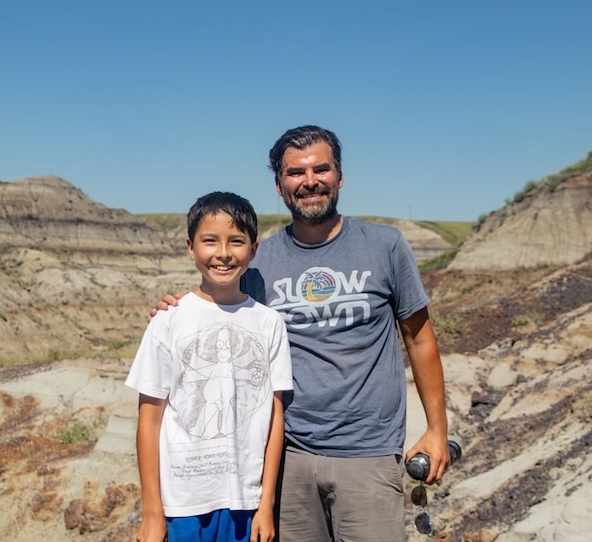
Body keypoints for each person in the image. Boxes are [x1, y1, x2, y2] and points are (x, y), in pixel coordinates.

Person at [154, 126, 450, 542]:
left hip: (368, 454)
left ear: (340, 176)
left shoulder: (385, 246)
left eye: (321, 169)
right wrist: (175, 308)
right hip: (287, 458)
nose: (310, 181)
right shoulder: (260, 263)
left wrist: (438, 430)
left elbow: (419, 338)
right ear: (279, 185)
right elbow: (221, 314)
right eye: (295, 173)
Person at [127, 191, 292, 542]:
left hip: (246, 504)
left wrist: (266, 505)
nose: (223, 253)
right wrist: (153, 513)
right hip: (183, 505)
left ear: (253, 249)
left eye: (236, 241)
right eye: (209, 241)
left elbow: (275, 415)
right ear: (191, 247)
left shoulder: (269, 323)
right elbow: (149, 418)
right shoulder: (168, 321)